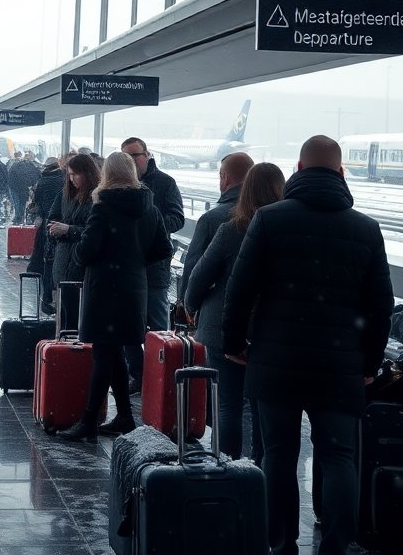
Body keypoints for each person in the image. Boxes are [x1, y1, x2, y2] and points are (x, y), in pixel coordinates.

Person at [221, 136, 393, 555]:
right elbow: (381, 307)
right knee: (338, 457)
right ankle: (336, 545)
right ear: (341, 172)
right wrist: (369, 364)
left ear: (297, 169)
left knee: (278, 456)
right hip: (340, 367)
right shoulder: (365, 229)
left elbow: (239, 291)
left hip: (276, 361)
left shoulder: (269, 220)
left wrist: (234, 343)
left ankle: (281, 545)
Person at [59, 151, 172, 441]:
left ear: (107, 173)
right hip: (134, 290)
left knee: (102, 354)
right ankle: (125, 416)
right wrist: (134, 262)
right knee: (115, 352)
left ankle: (88, 421)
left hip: (104, 290)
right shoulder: (150, 207)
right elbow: (164, 248)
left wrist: (82, 252)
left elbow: (86, 251)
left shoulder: (103, 207)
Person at [182, 161, 284, 460]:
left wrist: (190, 306)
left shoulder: (230, 228)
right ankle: (260, 467)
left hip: (222, 326)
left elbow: (198, 277)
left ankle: (229, 465)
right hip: (271, 330)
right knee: (261, 405)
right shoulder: (288, 230)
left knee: (229, 404)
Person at [119, 137, 184, 394]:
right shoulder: (118, 185)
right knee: (127, 326)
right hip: (126, 269)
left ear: (147, 155)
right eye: (125, 157)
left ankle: (161, 378)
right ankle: (138, 375)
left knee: (157, 326)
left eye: (134, 156)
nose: (130, 162)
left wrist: (151, 229)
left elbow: (177, 218)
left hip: (155, 268)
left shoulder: (165, 183)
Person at [177, 152, 254, 306]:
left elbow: (194, 269)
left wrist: (185, 305)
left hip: (218, 307)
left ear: (224, 178)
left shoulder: (212, 219)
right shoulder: (268, 213)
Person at [46, 153, 100, 331]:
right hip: (63, 261)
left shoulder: (97, 197)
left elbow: (96, 232)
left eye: (75, 174)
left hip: (82, 264)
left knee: (80, 315)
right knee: (64, 313)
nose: (71, 179)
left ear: (87, 173)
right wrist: (54, 230)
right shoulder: (64, 195)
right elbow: (52, 218)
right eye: (69, 175)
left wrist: (69, 230)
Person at [27, 155, 66, 313]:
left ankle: (47, 297)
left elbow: (36, 204)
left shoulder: (42, 181)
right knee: (53, 262)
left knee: (47, 261)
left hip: (46, 224)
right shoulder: (62, 181)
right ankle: (51, 297)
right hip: (59, 224)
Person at [8, 150, 41, 224]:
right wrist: (32, 185)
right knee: (22, 204)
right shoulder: (31, 166)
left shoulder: (15, 165)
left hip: (16, 188)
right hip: (24, 189)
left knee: (17, 204)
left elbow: (10, 176)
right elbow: (33, 177)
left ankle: (18, 218)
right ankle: (21, 218)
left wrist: (12, 186)